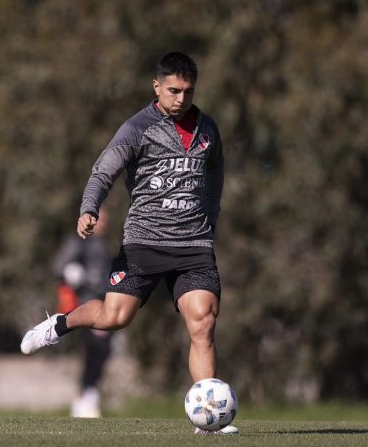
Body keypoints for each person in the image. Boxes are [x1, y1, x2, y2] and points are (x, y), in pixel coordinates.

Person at [21, 52, 235, 434]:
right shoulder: (138, 128)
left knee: (202, 322)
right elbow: (104, 170)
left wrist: (211, 214)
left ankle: (208, 422)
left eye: (187, 91)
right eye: (173, 90)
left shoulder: (208, 129)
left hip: (193, 245)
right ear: (157, 87)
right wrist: (89, 208)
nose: (180, 99)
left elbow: (216, 167)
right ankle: (60, 325)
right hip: (145, 243)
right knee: (115, 317)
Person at [51, 208, 113, 418]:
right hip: (85, 305)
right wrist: (75, 274)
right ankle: (85, 397)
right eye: (98, 219)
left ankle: (87, 395)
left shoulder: (104, 244)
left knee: (101, 352)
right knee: (96, 349)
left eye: (104, 219)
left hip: (105, 304)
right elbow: (59, 266)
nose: (101, 223)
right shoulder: (79, 241)